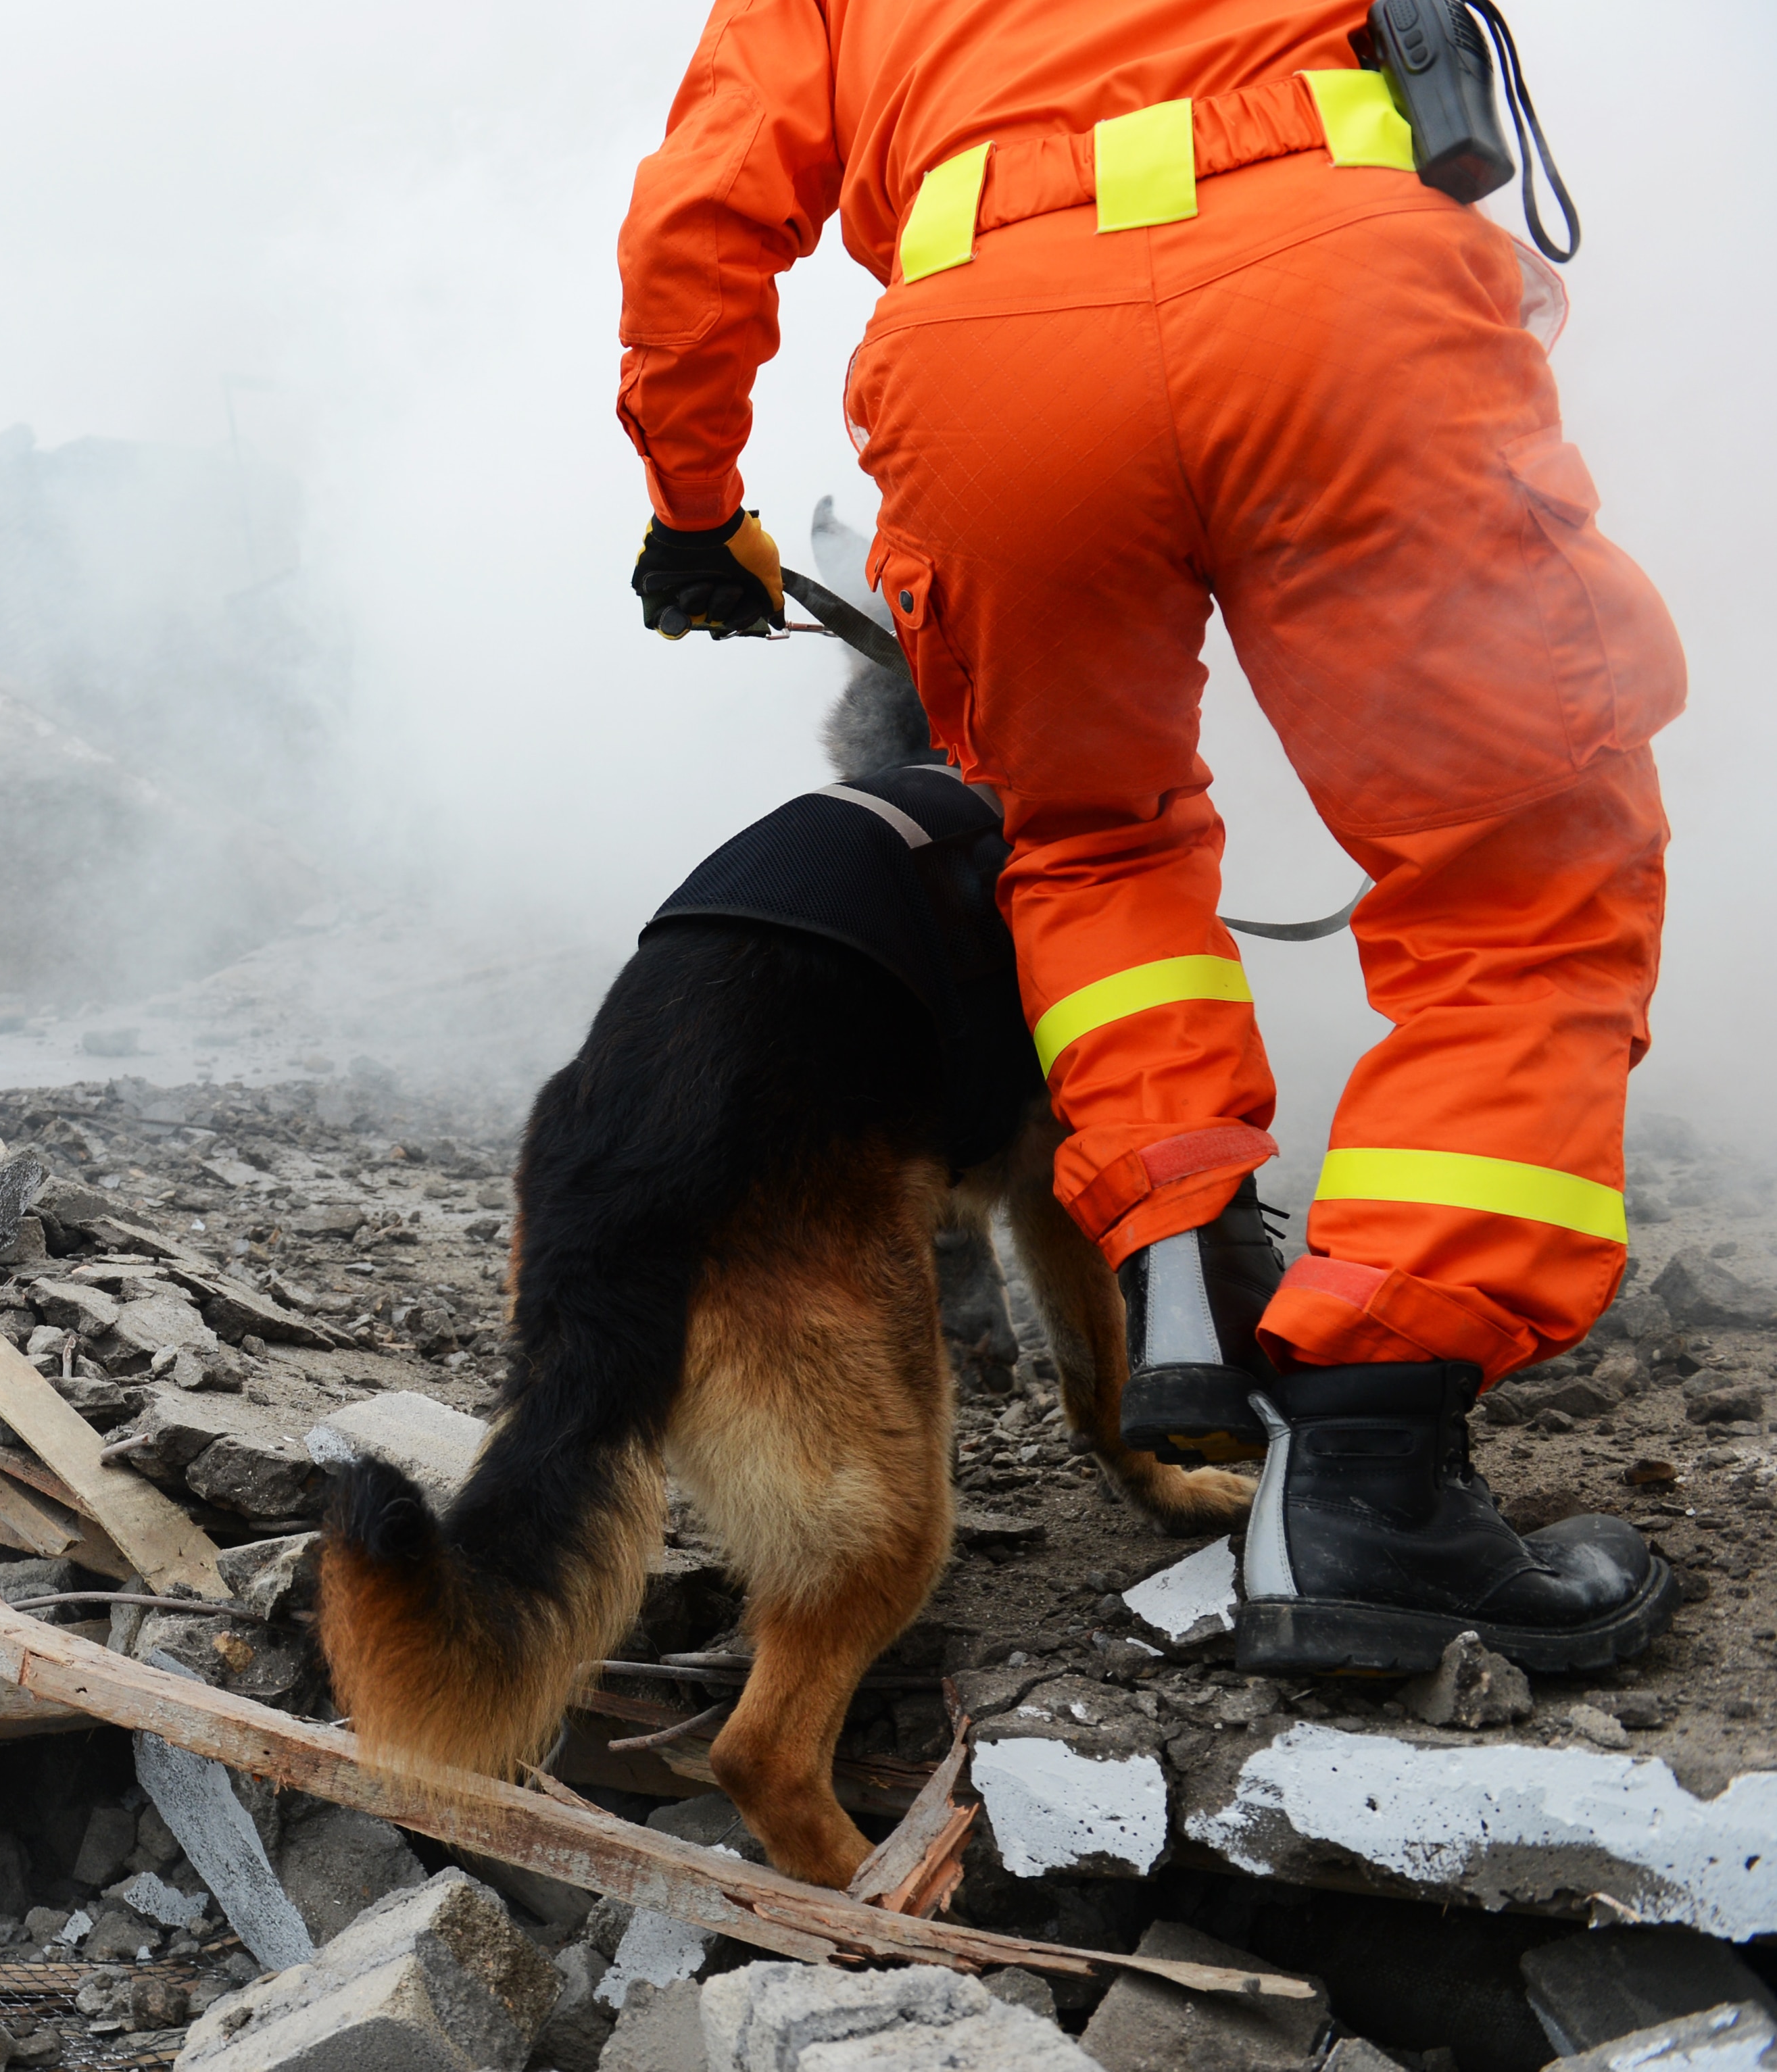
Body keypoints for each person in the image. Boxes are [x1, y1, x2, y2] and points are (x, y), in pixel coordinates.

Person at [618, 0, 1683, 1675]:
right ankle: (1374, 1475)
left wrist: (694, 505)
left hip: (990, 347)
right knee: (1517, 879)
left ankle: (1184, 1272)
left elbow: (701, 207)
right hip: (1329, 286)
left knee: (1091, 846)